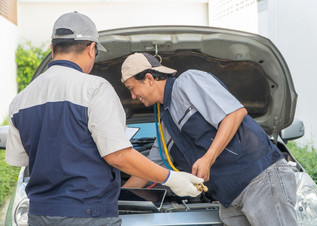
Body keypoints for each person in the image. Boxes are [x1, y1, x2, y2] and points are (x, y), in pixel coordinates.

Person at [5, 12, 203, 226]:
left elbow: (22, 160)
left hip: (38, 216)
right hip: (90, 215)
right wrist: (171, 179)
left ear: (53, 49)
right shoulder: (95, 89)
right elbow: (117, 155)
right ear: (91, 49)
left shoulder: (20, 101)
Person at [121, 52, 298, 226]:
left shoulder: (187, 82)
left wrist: (208, 158)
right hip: (229, 200)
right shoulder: (166, 123)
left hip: (260, 181)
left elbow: (235, 113)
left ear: (150, 78)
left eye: (132, 88)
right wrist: (117, 198)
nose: (133, 96)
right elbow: (146, 169)